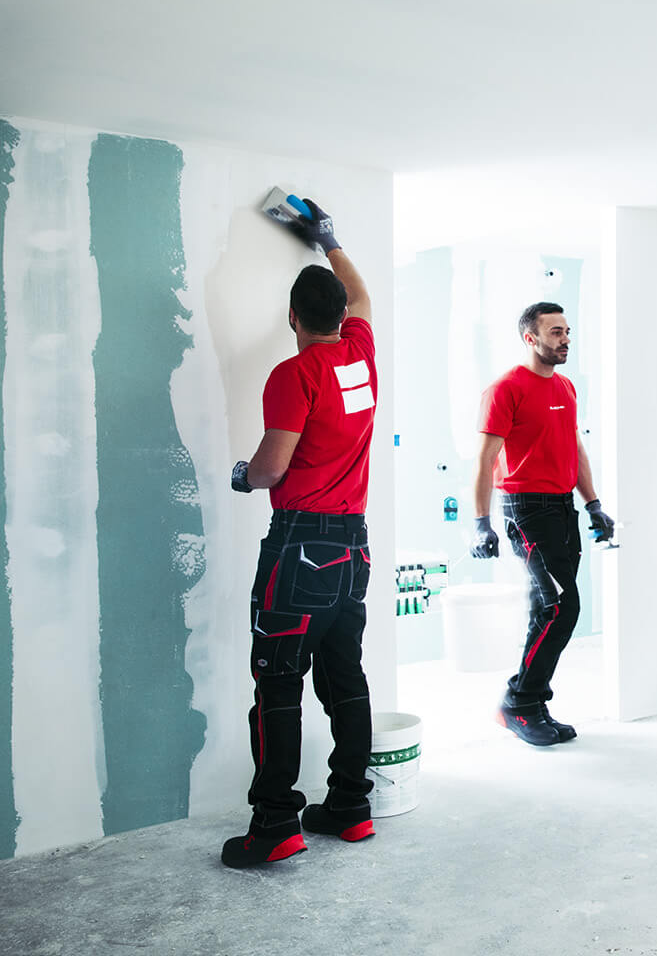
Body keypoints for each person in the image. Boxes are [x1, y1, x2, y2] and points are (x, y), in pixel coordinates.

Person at [222, 200, 378, 867]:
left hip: (300, 549)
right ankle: (350, 807)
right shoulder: (361, 354)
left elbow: (271, 468)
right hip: (352, 547)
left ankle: (274, 826)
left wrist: (241, 475)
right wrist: (328, 240)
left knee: (277, 681)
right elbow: (362, 296)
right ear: (340, 317)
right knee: (344, 677)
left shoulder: (294, 375)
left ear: (292, 317)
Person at [471, 303, 615, 747]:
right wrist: (480, 522)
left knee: (549, 607)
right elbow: (486, 459)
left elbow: (575, 449)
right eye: (555, 332)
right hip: (525, 510)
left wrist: (593, 504)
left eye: (567, 331)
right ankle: (518, 702)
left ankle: (530, 703)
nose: (566, 339)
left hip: (562, 507)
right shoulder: (505, 389)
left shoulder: (566, 387)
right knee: (560, 606)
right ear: (530, 338)